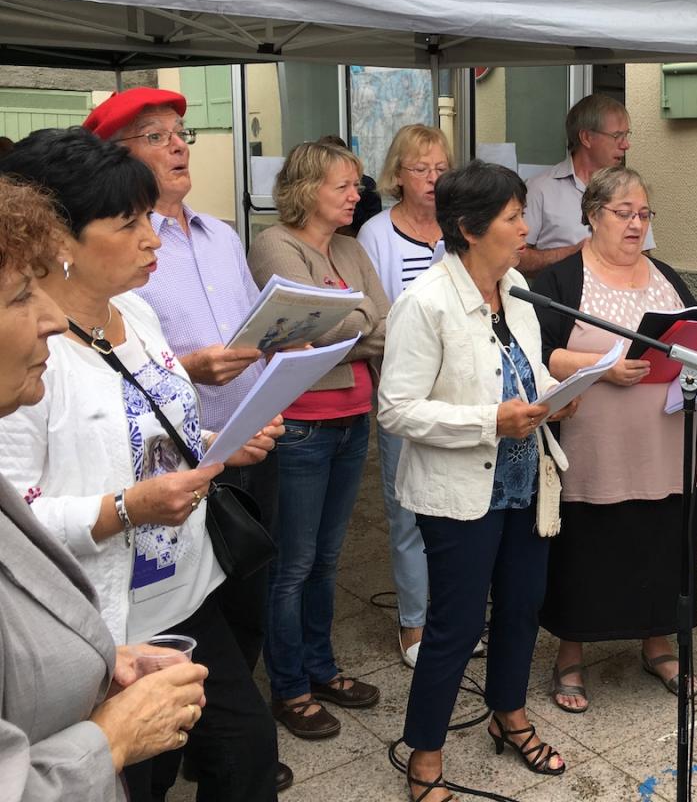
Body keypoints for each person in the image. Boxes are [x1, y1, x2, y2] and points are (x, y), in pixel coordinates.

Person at [0, 129, 282, 802]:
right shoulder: (29, 363)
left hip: (186, 590)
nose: (153, 240)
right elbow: (16, 523)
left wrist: (216, 440)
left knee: (245, 752)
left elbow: (150, 421)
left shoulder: (136, 312)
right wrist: (125, 508)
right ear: (57, 240)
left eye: (149, 220)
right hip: (106, 619)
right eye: (128, 224)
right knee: (139, 778)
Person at [81, 87, 293, 793]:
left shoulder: (200, 253)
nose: (178, 146)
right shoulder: (50, 342)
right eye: (157, 136)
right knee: (169, 754)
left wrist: (223, 437)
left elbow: (157, 419)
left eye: (182, 133)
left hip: (221, 467)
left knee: (249, 607)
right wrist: (194, 373)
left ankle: (198, 744)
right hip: (133, 572)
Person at [0, 175, 209, 802]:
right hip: (118, 606)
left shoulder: (137, 313)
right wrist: (109, 739)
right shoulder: (46, 374)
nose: (46, 320)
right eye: (17, 297)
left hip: (178, 586)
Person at [379, 161, 576, 802]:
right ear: (469, 228)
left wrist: (558, 395)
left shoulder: (515, 289)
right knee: (456, 627)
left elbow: (524, 374)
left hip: (525, 484)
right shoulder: (425, 303)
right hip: (460, 493)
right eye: (513, 217)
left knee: (521, 608)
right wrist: (491, 420)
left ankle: (509, 714)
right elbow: (398, 409)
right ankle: (425, 756)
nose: (525, 228)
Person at [533, 166, 697, 712]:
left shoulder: (667, 277)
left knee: (661, 545)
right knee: (588, 551)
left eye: (643, 214)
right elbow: (539, 353)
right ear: (592, 215)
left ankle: (657, 644)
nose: (635, 224)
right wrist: (603, 365)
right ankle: (571, 655)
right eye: (623, 213)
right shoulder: (561, 280)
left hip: (666, 446)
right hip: (594, 453)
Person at [248, 140, 391, 741]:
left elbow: (386, 321)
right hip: (301, 421)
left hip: (353, 414)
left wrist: (341, 328)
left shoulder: (352, 247)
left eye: (356, 186)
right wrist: (352, 323)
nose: (357, 196)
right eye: (344, 186)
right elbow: (300, 324)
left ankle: (322, 667)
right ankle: (290, 688)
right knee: (293, 562)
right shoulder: (274, 243)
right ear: (308, 190)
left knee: (327, 559)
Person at [358, 124, 450, 668]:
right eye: (422, 168)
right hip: (404, 391)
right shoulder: (375, 234)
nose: (434, 179)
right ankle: (414, 624)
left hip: (460, 393)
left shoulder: (458, 227)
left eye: (441, 168)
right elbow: (377, 320)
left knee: (455, 509)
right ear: (397, 176)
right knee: (407, 512)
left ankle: (452, 616)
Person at [518, 93, 653, 275]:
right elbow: (516, 259)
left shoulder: (630, 191)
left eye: (626, 135)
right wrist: (575, 253)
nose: (626, 145)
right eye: (617, 136)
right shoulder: (540, 189)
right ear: (586, 138)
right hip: (561, 300)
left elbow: (644, 255)